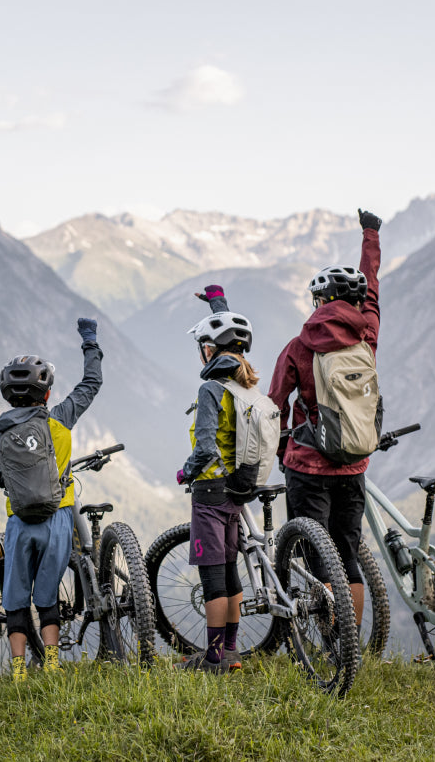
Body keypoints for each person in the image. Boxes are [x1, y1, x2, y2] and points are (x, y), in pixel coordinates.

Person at [267, 209, 382, 627]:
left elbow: (275, 404)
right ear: (353, 301)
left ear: (319, 302)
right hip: (354, 461)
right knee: (347, 553)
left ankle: (336, 646)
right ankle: (352, 643)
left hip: (308, 465)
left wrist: (281, 447)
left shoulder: (300, 345)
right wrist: (371, 235)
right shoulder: (367, 334)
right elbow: (373, 289)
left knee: (318, 555)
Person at [0, 319, 103, 681]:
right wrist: (89, 340)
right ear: (45, 394)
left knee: (16, 597)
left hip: (19, 524)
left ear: (7, 395)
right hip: (59, 520)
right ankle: (51, 665)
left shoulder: (2, 433)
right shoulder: (59, 418)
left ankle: (17, 673)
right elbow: (91, 384)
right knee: (47, 596)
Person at [175, 285, 259, 674]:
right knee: (229, 570)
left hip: (209, 492)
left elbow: (206, 449)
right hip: (237, 492)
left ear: (208, 350)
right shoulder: (243, 387)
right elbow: (230, 338)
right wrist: (217, 302)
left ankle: (212, 659)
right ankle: (231, 651)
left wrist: (185, 472)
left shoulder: (210, 388)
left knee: (213, 578)